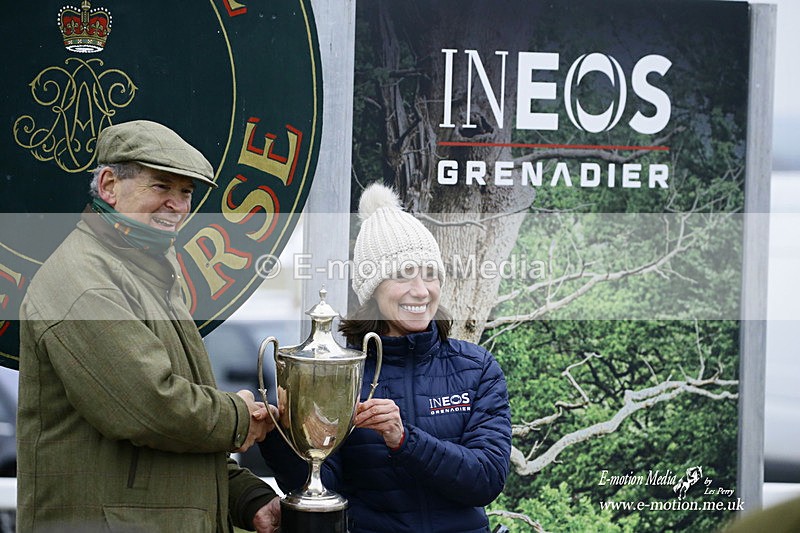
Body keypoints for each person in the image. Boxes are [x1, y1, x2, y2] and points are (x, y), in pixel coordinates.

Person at [17, 120, 281, 533]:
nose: (176, 205)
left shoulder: (148, 269)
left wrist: (244, 496)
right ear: (109, 185)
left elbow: (161, 441)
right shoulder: (85, 281)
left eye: (186, 192)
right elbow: (149, 408)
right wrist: (238, 417)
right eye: (161, 186)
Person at [258, 183, 512, 533]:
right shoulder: (342, 373)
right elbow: (323, 486)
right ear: (372, 289)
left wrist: (404, 439)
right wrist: (280, 435)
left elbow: (487, 479)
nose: (421, 291)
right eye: (402, 275)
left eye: (430, 274)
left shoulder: (476, 367)